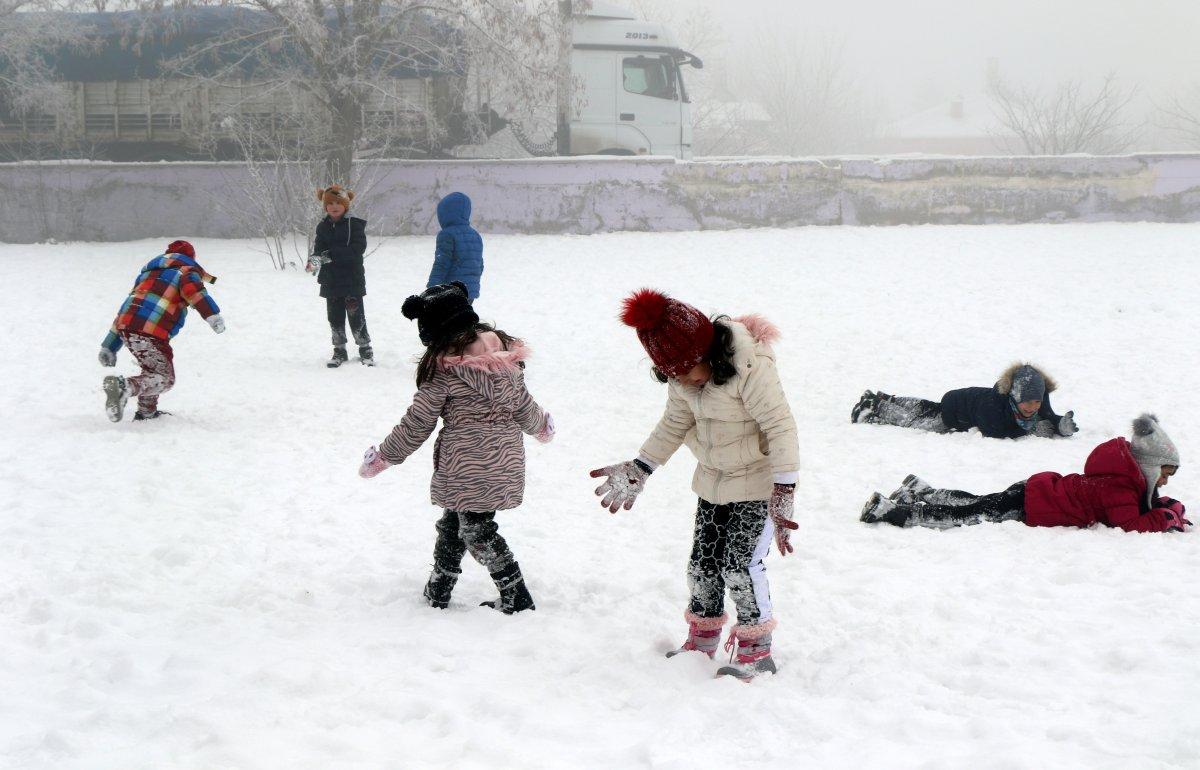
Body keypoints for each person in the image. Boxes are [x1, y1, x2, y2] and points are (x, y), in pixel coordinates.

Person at [589, 289, 800, 680]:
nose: (684, 380)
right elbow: (674, 424)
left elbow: (780, 425)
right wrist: (642, 466)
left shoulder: (751, 368)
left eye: (688, 370)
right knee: (702, 566)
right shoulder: (682, 380)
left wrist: (784, 490)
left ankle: (756, 652)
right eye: (673, 374)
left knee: (741, 565)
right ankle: (702, 643)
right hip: (712, 484)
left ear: (712, 354)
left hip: (757, 485)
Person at [359, 282, 554, 613]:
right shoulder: (506, 361)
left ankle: (517, 595)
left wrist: (384, 457)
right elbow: (524, 407)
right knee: (454, 523)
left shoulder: (445, 369)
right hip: (504, 463)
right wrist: (542, 428)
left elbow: (417, 423)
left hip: (466, 467)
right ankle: (439, 587)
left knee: (477, 530)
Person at [860, 414, 1190, 533]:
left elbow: (1144, 505)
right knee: (972, 514)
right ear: (1147, 466)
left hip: (1036, 490)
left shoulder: (1124, 479)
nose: (1163, 482)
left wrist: (1165, 505)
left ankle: (922, 492)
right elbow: (1130, 523)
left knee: (978, 502)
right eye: (1164, 474)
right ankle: (899, 513)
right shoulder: (1119, 488)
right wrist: (1167, 519)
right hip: (1033, 505)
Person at [98, 240, 225, 422]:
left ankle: (146, 413)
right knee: (164, 378)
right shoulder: (186, 271)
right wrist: (212, 315)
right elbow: (194, 292)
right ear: (190, 257)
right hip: (152, 332)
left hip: (126, 328)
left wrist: (109, 346)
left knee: (152, 370)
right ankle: (125, 387)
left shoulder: (147, 276)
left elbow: (127, 309)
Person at [850, 362, 1077, 439]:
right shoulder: (994, 407)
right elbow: (995, 431)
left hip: (963, 397)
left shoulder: (1038, 400)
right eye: (1027, 402)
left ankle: (885, 398)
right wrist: (1033, 429)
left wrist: (1059, 426)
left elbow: (1046, 416)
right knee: (923, 421)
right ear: (1014, 397)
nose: (1033, 407)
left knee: (930, 408)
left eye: (1036, 402)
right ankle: (874, 407)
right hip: (957, 409)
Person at [310, 184, 372, 367]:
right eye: (330, 203)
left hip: (352, 279)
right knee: (334, 316)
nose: (334, 206)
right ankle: (339, 350)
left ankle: (365, 349)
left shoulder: (355, 224)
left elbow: (357, 249)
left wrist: (332, 255)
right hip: (331, 280)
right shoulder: (322, 227)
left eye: (338, 202)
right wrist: (314, 261)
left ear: (346, 204)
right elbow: (319, 249)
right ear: (325, 206)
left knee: (356, 315)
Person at [427, 192, 483, 303]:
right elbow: (479, 265)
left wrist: (433, 286)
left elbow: (442, 263)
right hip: (470, 291)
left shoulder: (447, 234)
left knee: (445, 319)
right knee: (463, 319)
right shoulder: (475, 235)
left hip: (450, 291)